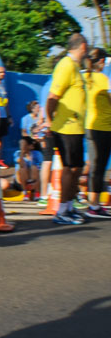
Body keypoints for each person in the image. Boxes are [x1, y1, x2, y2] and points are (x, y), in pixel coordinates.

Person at [45, 33, 89, 225]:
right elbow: (53, 97)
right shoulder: (66, 65)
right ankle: (61, 211)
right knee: (69, 169)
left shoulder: (76, 67)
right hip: (65, 128)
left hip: (76, 128)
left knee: (77, 168)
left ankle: (69, 207)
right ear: (83, 46)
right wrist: (48, 120)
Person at [83, 47, 111, 218]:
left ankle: (93, 203)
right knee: (98, 167)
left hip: (90, 126)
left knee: (95, 166)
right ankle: (94, 205)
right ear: (101, 61)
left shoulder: (86, 77)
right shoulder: (102, 78)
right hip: (104, 126)